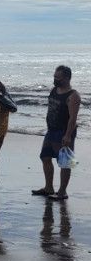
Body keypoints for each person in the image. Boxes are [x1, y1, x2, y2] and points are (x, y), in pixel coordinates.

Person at [32, 65, 81, 200]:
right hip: (51, 130)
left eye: (57, 77)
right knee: (45, 157)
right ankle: (49, 188)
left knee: (65, 162)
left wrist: (68, 135)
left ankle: (62, 192)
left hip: (64, 132)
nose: (55, 79)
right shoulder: (55, 90)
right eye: (54, 76)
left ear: (67, 78)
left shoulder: (73, 96)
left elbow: (73, 118)